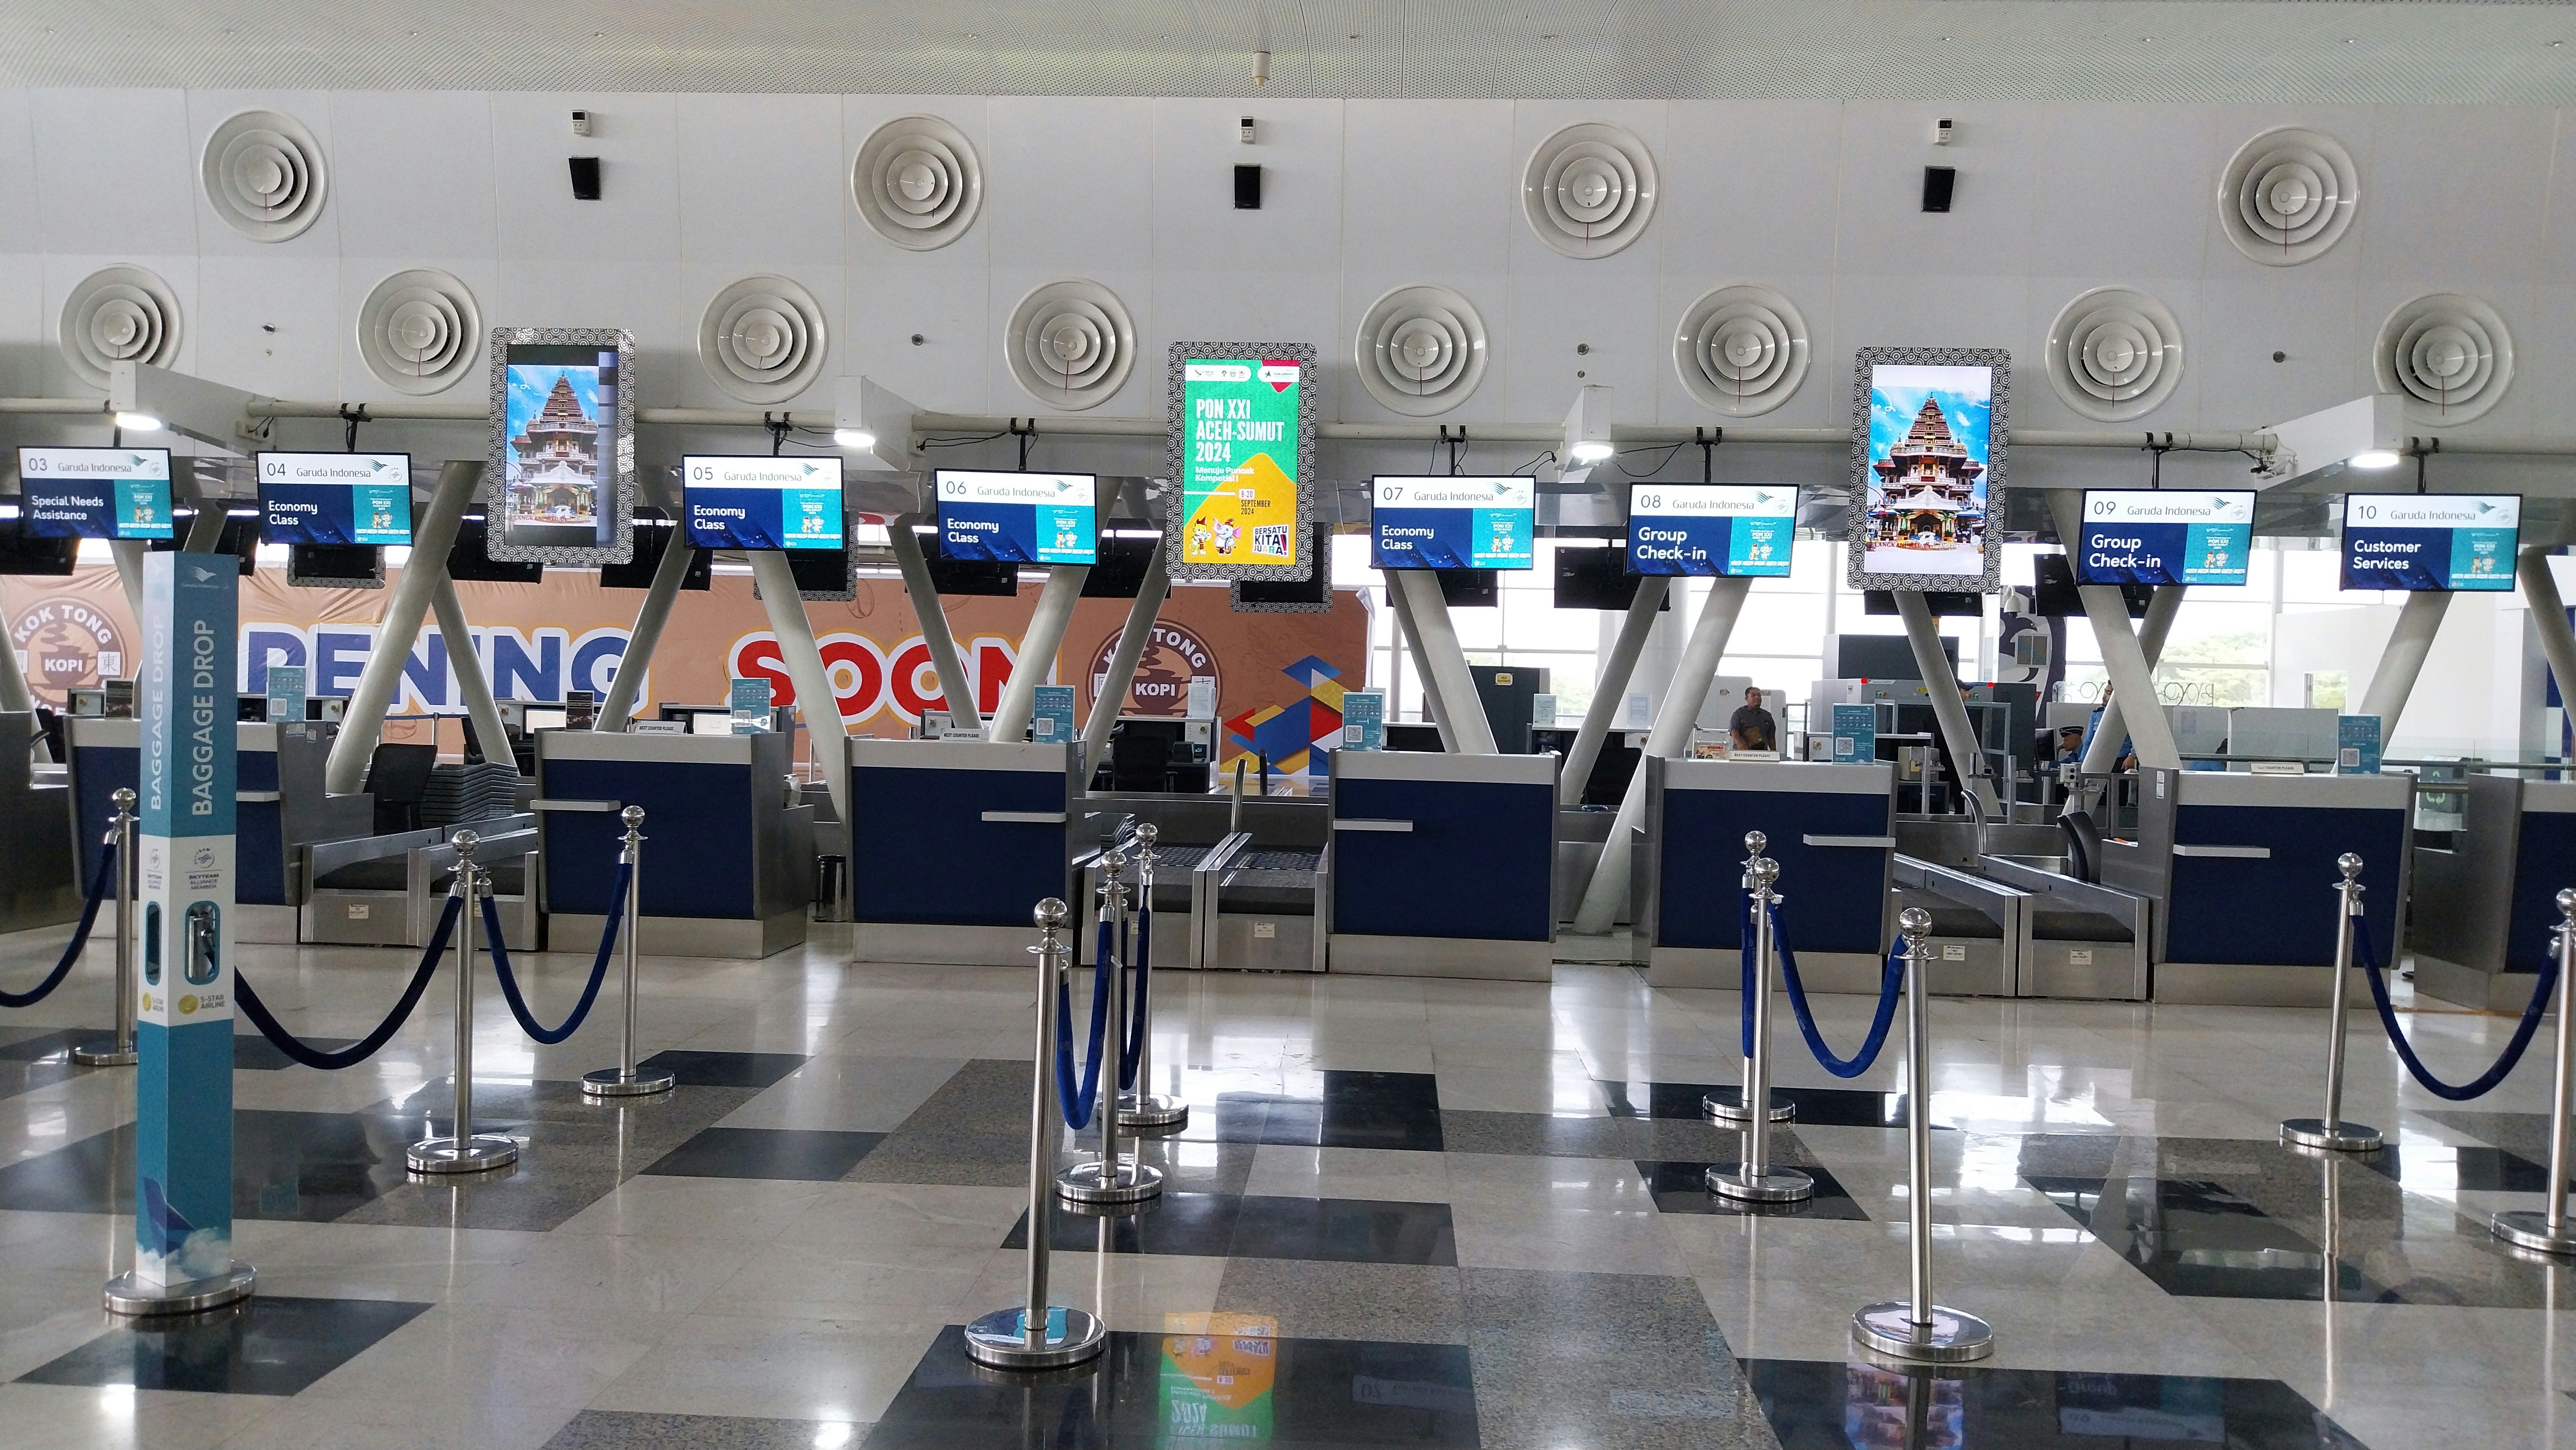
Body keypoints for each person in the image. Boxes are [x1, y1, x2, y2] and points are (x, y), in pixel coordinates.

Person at [1729, 686, 1779, 752]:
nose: (1757, 698)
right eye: (1753, 696)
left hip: (1762, 753)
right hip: (1743, 752)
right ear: (1747, 699)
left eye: (1759, 696)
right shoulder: (1739, 713)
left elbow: (1771, 737)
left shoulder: (1767, 716)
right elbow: (1734, 731)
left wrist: (1774, 753)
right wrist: (1740, 745)